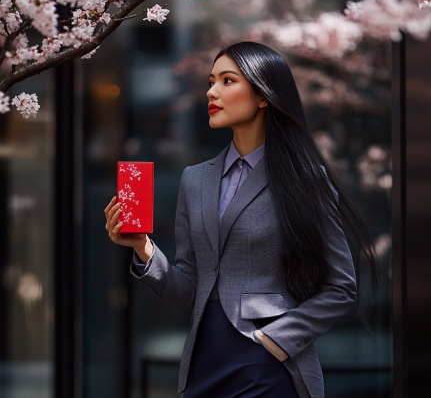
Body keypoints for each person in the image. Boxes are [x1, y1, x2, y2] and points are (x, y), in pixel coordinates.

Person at [104, 42, 377, 398]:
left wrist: (276, 341)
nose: (211, 91)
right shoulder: (195, 179)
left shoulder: (304, 178)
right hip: (204, 361)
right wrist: (143, 248)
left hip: (269, 363)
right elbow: (189, 291)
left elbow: (341, 289)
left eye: (227, 80)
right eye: (210, 80)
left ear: (264, 96)